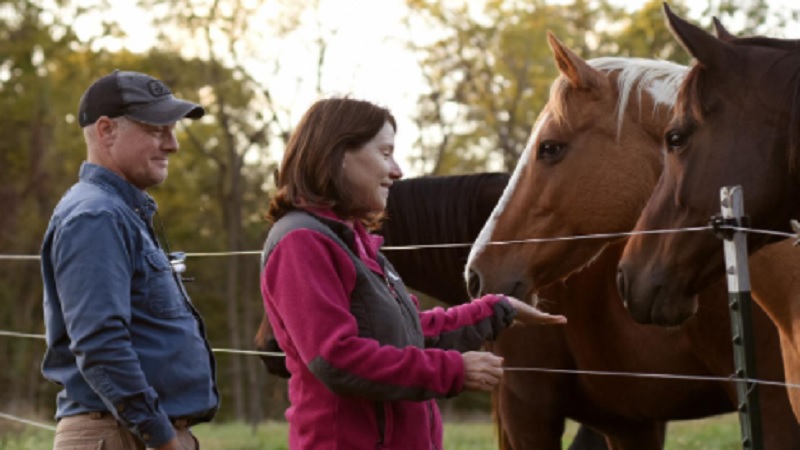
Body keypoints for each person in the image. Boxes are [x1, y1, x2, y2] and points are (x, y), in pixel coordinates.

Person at [260, 97, 567, 450]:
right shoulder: (302, 241)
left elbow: (408, 331)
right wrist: (452, 370)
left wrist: (497, 309)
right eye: (385, 152)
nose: (398, 171)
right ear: (339, 155)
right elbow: (336, 358)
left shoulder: (354, 241)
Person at [41, 70, 219, 450]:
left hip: (133, 433)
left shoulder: (119, 213)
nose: (172, 145)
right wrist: (162, 436)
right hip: (123, 436)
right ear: (106, 131)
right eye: (157, 130)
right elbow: (100, 343)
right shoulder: (96, 216)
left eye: (172, 130)